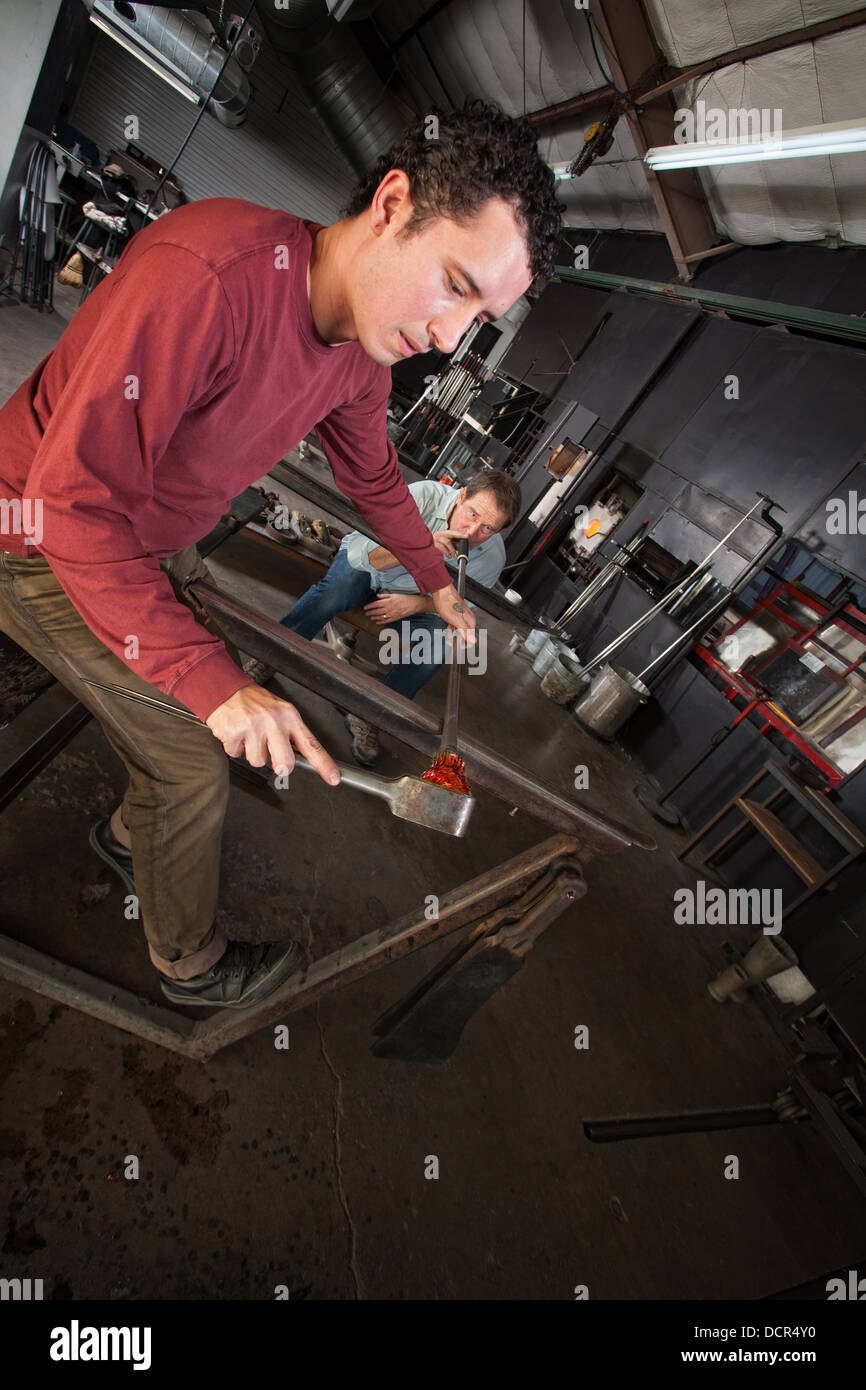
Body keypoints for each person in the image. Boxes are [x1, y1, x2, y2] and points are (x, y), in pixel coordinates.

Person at [0, 98, 563, 1009]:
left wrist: (438, 586)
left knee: (196, 691)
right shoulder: (209, 276)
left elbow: (377, 481)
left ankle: (128, 837)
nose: (452, 338)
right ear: (391, 203)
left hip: (143, 545)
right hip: (32, 537)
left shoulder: (359, 355)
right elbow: (70, 508)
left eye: (483, 316)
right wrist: (216, 689)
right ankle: (187, 965)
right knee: (192, 748)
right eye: (456, 285)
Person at [245, 470, 521, 766]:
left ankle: (370, 713)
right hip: (370, 566)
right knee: (336, 592)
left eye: (488, 528)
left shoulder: (492, 558)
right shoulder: (422, 498)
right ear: (462, 495)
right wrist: (424, 548)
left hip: (418, 598)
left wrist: (416, 604)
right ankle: (270, 653)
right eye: (472, 514)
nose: (472, 532)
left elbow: (462, 605)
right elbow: (367, 556)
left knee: (441, 646)